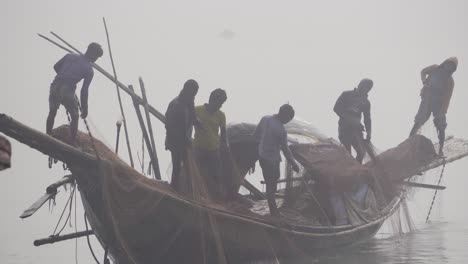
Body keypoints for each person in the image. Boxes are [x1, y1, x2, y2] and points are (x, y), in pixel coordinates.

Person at [46, 42, 103, 145]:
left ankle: (48, 135)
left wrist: (64, 75)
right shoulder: (89, 70)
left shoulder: (70, 55)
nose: (95, 60)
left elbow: (56, 67)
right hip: (67, 89)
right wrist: (85, 109)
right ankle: (72, 142)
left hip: (55, 85)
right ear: (92, 53)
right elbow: (84, 91)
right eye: (96, 57)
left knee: (52, 112)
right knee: (75, 115)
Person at [253, 104, 300, 216]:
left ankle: (273, 210)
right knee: (272, 187)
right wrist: (294, 163)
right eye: (288, 119)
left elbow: (255, 135)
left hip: (262, 157)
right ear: (284, 116)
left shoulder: (265, 119)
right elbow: (285, 149)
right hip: (272, 160)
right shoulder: (281, 130)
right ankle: (274, 212)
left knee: (270, 184)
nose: (287, 122)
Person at [409, 57, 458, 157]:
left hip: (438, 105)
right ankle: (408, 144)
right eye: (448, 64)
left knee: (441, 126)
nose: (448, 67)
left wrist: (442, 111)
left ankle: (440, 150)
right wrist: (424, 82)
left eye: (451, 67)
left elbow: (447, 98)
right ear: (444, 63)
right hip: (427, 100)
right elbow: (423, 71)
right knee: (418, 121)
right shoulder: (435, 68)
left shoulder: (450, 81)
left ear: (453, 70)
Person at [165, 79, 199, 191]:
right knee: (177, 167)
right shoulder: (175, 104)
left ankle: (186, 190)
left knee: (188, 168)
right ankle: (174, 189)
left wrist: (199, 124)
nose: (193, 96)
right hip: (175, 141)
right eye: (192, 93)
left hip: (186, 141)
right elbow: (169, 126)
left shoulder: (189, 102)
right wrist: (183, 139)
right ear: (185, 89)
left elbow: (193, 118)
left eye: (194, 94)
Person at [193, 88, 228, 199]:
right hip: (198, 148)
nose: (220, 106)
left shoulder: (221, 115)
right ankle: (195, 195)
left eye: (222, 103)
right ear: (212, 99)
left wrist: (224, 147)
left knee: (217, 175)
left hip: (214, 150)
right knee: (195, 173)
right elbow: (188, 125)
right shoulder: (197, 110)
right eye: (219, 103)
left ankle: (218, 199)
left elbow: (223, 134)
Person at [333, 78, 373, 164]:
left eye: (368, 88)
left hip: (357, 130)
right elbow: (336, 108)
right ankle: (346, 171)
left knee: (361, 152)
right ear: (360, 85)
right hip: (345, 128)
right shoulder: (346, 94)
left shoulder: (366, 102)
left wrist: (369, 133)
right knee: (347, 154)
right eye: (364, 86)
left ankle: (355, 170)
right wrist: (347, 117)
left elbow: (367, 119)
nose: (365, 89)